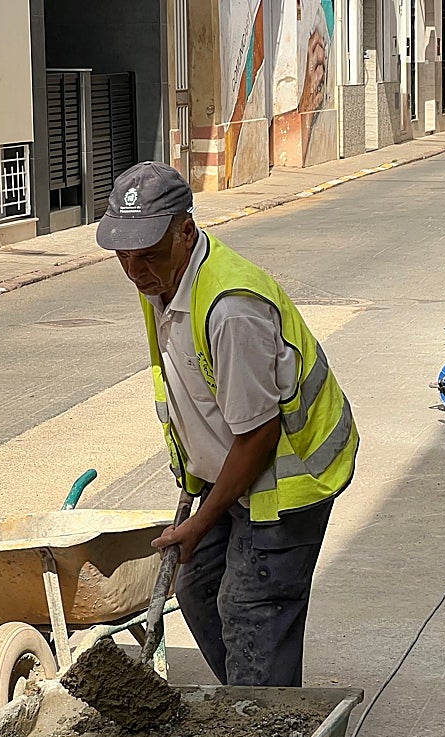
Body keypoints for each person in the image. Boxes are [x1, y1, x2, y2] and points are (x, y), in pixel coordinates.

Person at [95, 161, 359, 687]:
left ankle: (264, 732)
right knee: (197, 588)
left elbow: (258, 434)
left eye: (147, 254)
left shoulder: (231, 308)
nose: (136, 270)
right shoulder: (162, 282)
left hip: (288, 482)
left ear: (185, 232)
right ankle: (249, 698)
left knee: (252, 610)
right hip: (230, 474)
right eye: (124, 257)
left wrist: (201, 520)